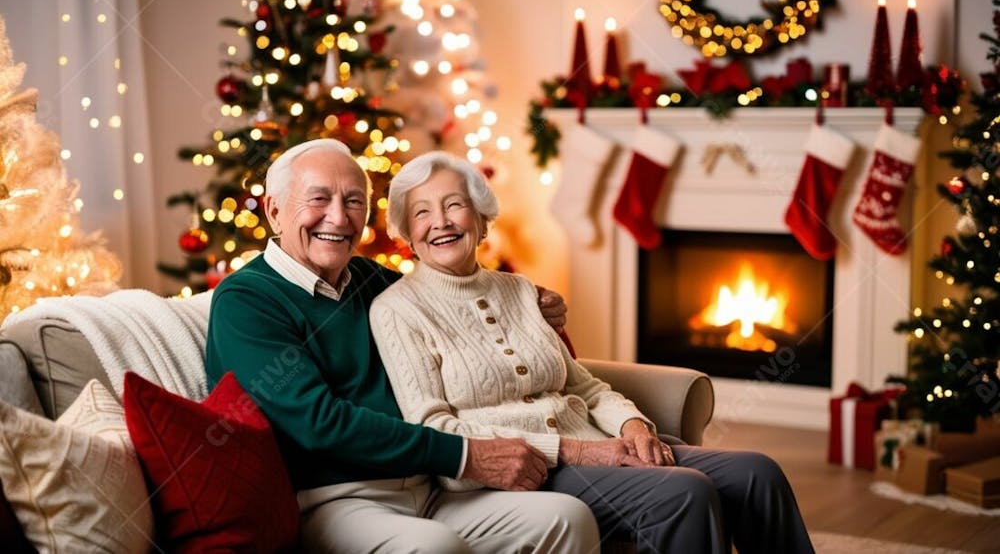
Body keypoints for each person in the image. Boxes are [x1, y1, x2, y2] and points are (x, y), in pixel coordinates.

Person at [369, 151, 817, 554]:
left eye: (454, 205)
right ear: (408, 232)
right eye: (422, 213)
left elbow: (583, 384)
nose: (440, 222)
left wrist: (633, 423)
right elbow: (433, 427)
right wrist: (575, 452)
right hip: (525, 473)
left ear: (482, 218)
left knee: (759, 473)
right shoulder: (397, 310)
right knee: (684, 492)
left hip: (602, 445)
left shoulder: (522, 290)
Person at [204, 139, 600, 553]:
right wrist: (463, 454)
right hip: (337, 502)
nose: (338, 218)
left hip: (430, 488)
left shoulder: (372, 280)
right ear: (274, 211)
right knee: (434, 548)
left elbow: (455, 301)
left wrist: (527, 301)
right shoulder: (247, 301)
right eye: (319, 199)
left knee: (566, 519)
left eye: (354, 201)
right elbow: (318, 423)